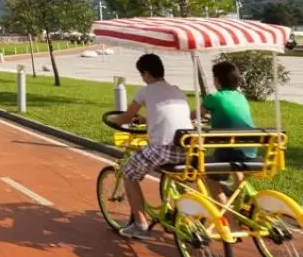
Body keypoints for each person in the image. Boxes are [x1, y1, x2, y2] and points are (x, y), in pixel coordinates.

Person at [110, 53, 193, 240]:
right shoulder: (177, 90)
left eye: (141, 74)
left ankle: (140, 224)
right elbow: (166, 115)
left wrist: (115, 121)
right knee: (179, 179)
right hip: (186, 147)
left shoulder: (145, 91)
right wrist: (146, 120)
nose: (142, 78)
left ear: (146, 74)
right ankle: (180, 213)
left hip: (163, 148)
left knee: (128, 172)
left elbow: (126, 116)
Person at [195, 60, 258, 204]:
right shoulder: (240, 96)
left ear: (217, 80)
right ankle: (239, 197)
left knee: (208, 174)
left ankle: (224, 210)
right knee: (235, 155)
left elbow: (196, 114)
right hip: (249, 150)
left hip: (229, 151)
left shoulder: (214, 97)